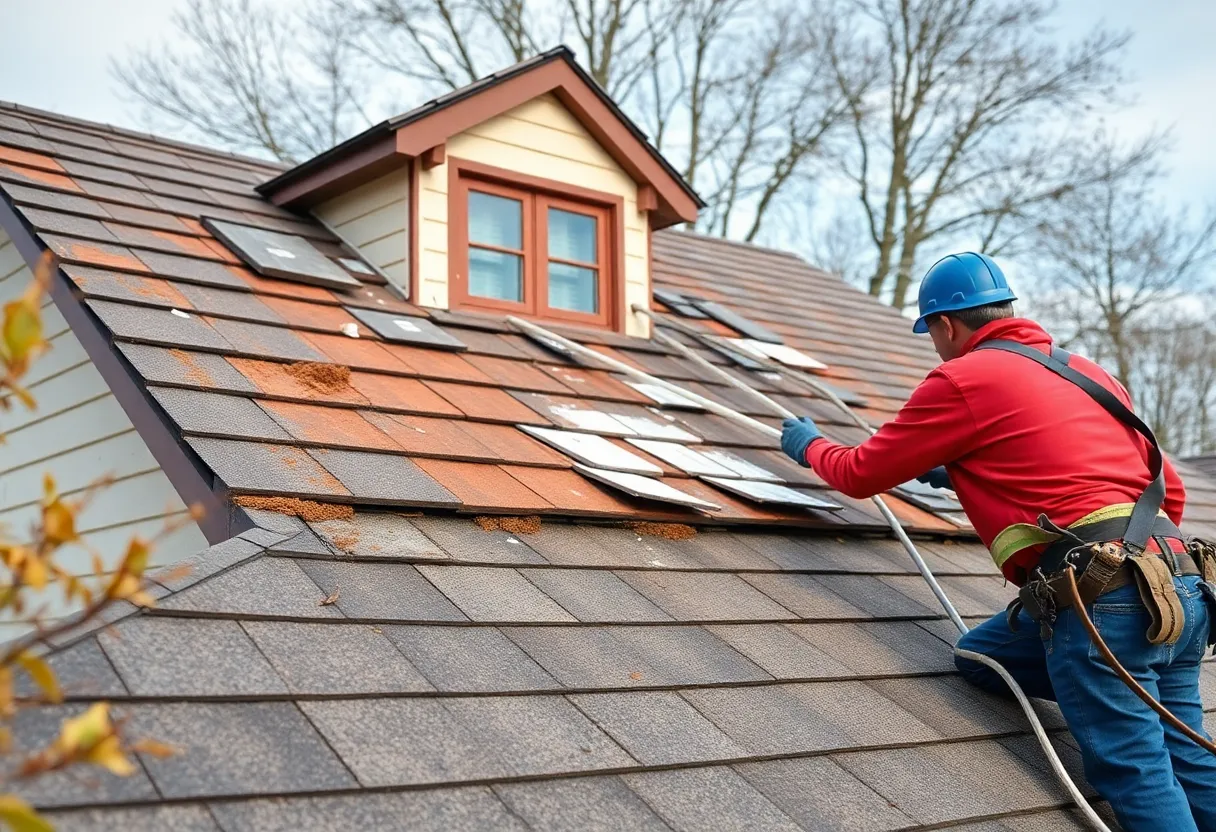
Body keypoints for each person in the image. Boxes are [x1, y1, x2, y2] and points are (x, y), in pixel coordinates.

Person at [779, 251, 1216, 832]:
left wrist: (809, 446)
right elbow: (1168, 489)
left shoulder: (962, 378)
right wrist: (968, 470)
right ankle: (1107, 688)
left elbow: (859, 472)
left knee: (1137, 768)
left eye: (933, 336)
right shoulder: (1089, 373)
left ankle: (1107, 691)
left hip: (1103, 605)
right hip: (1180, 585)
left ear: (945, 325)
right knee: (986, 659)